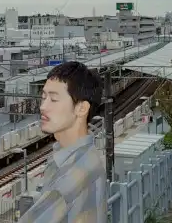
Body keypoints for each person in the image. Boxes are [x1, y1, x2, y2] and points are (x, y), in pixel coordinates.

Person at [18, 61, 107, 223]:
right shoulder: (85, 157)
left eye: (53, 99)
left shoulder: (72, 178)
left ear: (81, 108)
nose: (43, 107)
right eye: (43, 97)